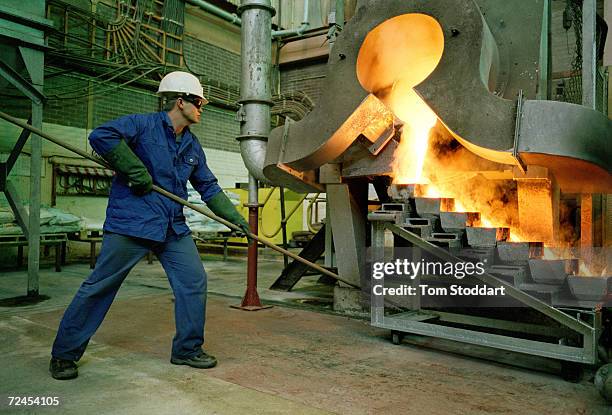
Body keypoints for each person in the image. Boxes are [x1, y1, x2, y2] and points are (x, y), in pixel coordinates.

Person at [49, 71, 250, 380]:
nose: (201, 108)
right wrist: (134, 168)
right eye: (198, 102)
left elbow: (208, 187)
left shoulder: (192, 147)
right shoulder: (142, 125)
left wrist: (235, 220)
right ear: (180, 102)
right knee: (100, 286)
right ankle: (64, 354)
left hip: (171, 227)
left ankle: (186, 349)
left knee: (193, 281)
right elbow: (101, 136)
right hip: (133, 222)